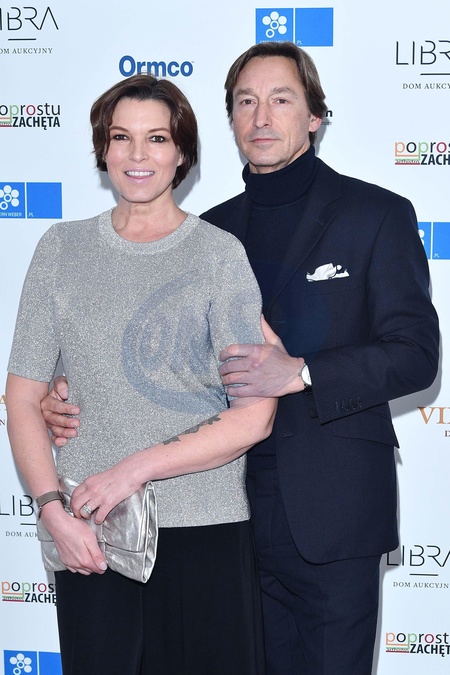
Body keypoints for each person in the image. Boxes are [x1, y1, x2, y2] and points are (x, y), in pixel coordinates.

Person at [41, 43, 440, 674]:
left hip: (333, 512)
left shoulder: (376, 215)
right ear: (229, 119)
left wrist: (301, 372)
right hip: (224, 514)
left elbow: (416, 355)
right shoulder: (208, 232)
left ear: (315, 116)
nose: (262, 116)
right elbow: (154, 353)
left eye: (281, 99)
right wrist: (65, 389)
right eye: (246, 102)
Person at [6, 73, 277, 675]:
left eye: (156, 138)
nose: (138, 154)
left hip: (204, 529)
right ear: (103, 149)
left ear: (181, 152)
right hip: (91, 535)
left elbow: (255, 415)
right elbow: (22, 397)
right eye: (121, 137)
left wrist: (130, 472)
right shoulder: (61, 249)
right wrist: (52, 510)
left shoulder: (219, 255)